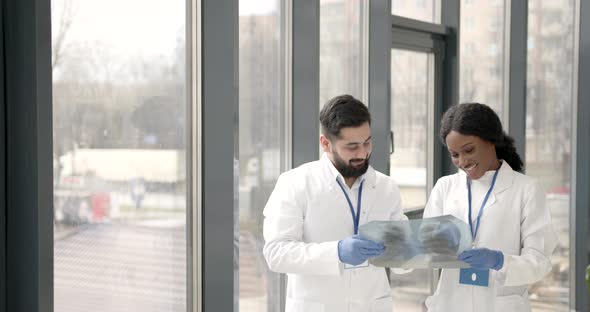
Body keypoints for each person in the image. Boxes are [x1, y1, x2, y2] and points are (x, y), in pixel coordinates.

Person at [262, 94, 407, 312]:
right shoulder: (295, 183)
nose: (362, 153)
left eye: (367, 142)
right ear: (325, 143)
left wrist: (412, 250)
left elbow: (402, 262)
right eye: (351, 146)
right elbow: (276, 253)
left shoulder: (387, 188)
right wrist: (336, 252)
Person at [422, 103, 557, 311]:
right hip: (451, 303)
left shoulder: (526, 189)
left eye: (469, 150)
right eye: (454, 154)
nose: (462, 161)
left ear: (491, 141)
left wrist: (500, 261)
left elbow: (539, 261)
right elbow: (425, 247)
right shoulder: (444, 187)